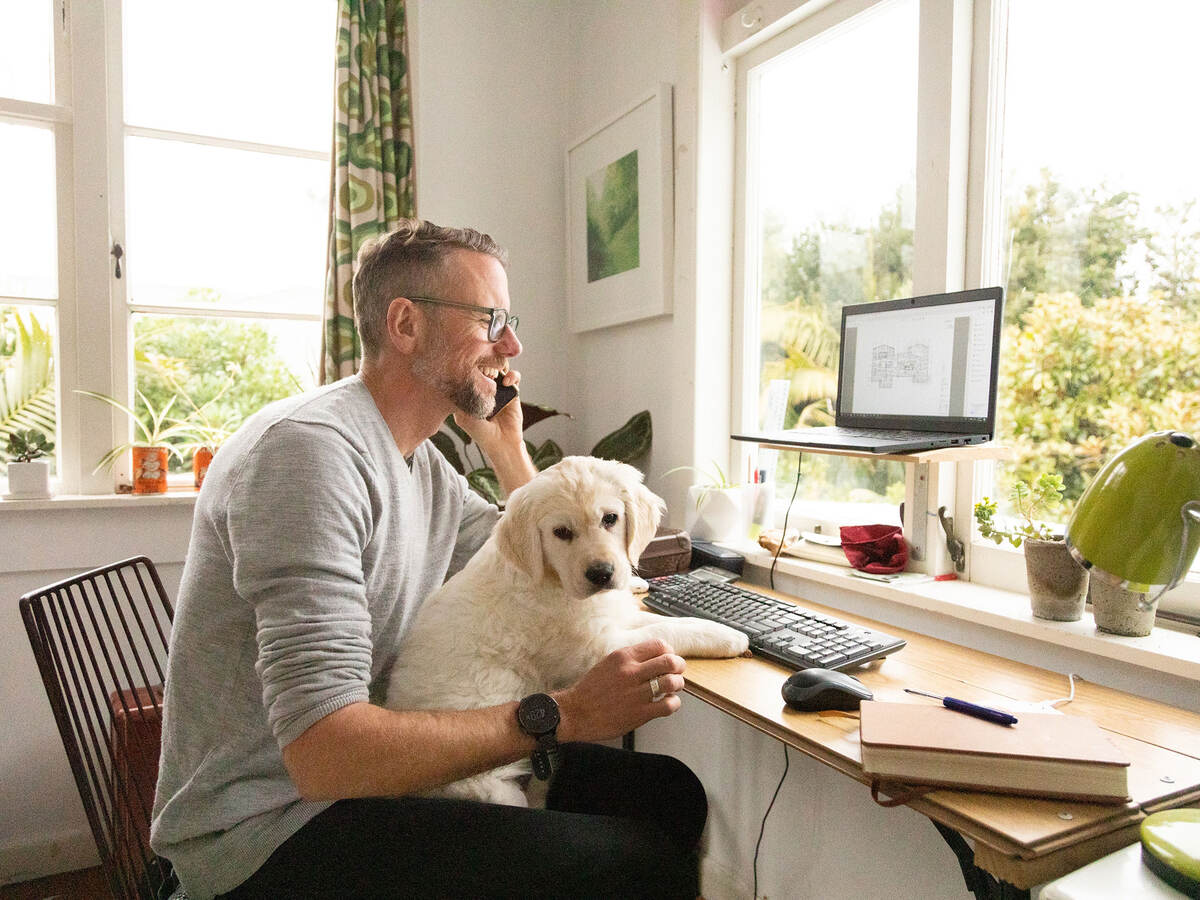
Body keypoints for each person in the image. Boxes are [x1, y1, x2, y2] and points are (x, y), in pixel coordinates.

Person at [151, 219, 709, 899]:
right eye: (490, 319)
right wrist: (565, 715)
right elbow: (326, 756)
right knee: (635, 860)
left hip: (364, 780)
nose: (512, 345)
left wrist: (505, 448)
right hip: (272, 830)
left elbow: (524, 558)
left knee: (670, 796)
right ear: (406, 325)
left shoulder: (414, 461)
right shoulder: (309, 455)